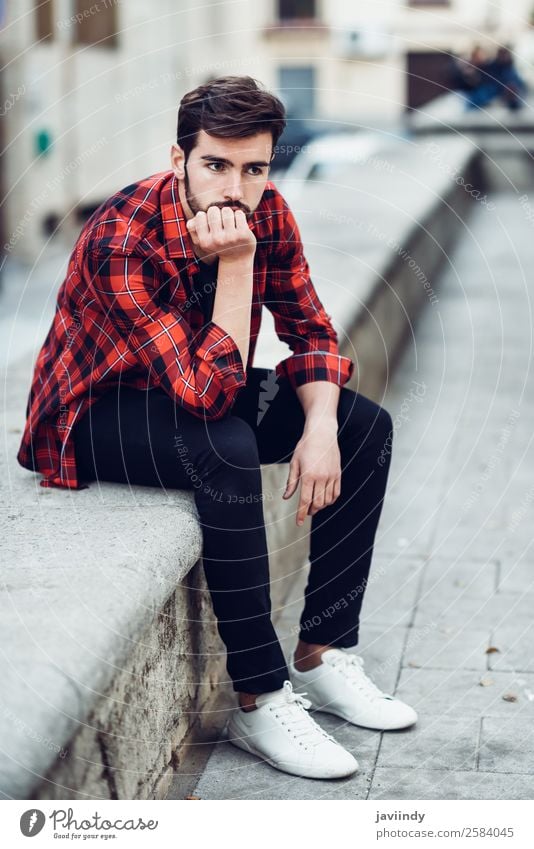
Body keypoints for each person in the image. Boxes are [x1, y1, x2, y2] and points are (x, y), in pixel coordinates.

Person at [17, 75, 417, 781]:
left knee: (363, 425)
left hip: (193, 390)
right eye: (216, 165)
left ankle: (324, 652)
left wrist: (319, 424)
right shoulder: (122, 234)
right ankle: (259, 696)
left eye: (254, 167)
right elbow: (209, 395)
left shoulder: (271, 212)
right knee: (223, 446)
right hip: (93, 413)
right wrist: (236, 262)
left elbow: (313, 332)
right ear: (179, 161)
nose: (236, 187)